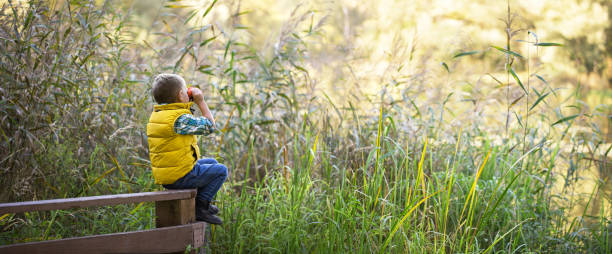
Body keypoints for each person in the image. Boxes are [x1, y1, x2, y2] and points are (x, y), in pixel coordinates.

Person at [146, 73, 227, 225]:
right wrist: (201, 101)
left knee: (212, 162)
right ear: (180, 94)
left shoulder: (159, 115)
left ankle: (202, 203)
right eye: (185, 91)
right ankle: (200, 207)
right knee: (221, 171)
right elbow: (209, 127)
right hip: (179, 177)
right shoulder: (178, 119)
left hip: (170, 174)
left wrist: (186, 103)